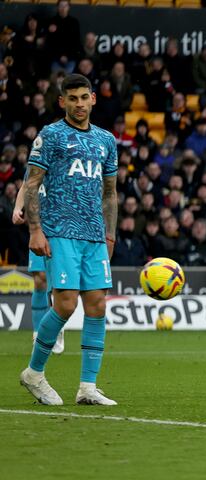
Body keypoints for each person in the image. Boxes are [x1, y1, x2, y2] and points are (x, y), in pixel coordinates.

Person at [20, 74, 119, 406]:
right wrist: (36, 230)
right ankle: (34, 373)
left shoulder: (106, 140)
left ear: (93, 98)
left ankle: (87, 387)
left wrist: (110, 233)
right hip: (60, 229)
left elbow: (110, 193)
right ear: (62, 101)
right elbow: (32, 184)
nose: (79, 104)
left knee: (97, 305)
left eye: (83, 97)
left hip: (93, 233)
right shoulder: (50, 136)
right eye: (72, 98)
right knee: (65, 304)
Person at [12, 182, 65, 355]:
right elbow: (26, 185)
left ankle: (56, 327)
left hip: (61, 230)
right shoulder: (36, 163)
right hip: (39, 229)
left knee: (56, 281)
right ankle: (37, 334)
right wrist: (17, 208)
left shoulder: (62, 163)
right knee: (40, 278)